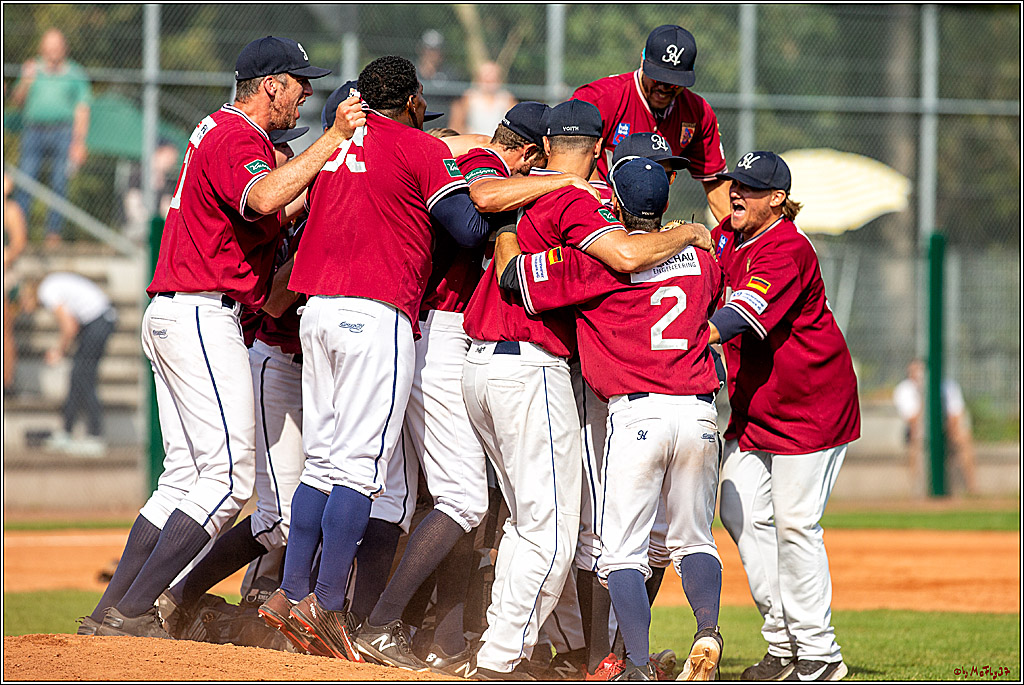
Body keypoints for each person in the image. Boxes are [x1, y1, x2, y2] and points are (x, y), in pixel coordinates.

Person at [81, 35, 363, 639]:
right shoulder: (237, 134)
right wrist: (333, 141)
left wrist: (313, 178)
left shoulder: (220, 131)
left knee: (182, 477)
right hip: (203, 311)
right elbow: (263, 194)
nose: (306, 93)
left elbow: (268, 208)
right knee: (227, 479)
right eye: (298, 81)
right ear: (271, 86)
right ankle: (135, 611)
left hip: (179, 310)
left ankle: (111, 608)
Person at [460, 99, 711, 679]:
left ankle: (581, 650)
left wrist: (505, 232)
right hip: (530, 369)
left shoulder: (530, 190)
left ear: (546, 147)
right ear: (602, 155)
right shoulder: (587, 205)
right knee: (550, 534)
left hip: (479, 365)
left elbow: (507, 258)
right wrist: (688, 234)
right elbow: (622, 255)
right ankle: (499, 662)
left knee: (540, 524)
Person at [354, 101, 603, 677]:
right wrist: (554, 180)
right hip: (445, 333)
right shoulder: (493, 169)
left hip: (449, 341)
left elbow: (450, 142)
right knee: (466, 500)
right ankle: (382, 623)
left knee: (460, 501)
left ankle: (439, 636)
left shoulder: (475, 157)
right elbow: (477, 211)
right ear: (535, 153)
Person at [260, 54, 492, 664]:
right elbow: (465, 228)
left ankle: (291, 593)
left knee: (324, 461)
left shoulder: (337, 141)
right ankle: (329, 607)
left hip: (317, 312)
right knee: (361, 468)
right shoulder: (417, 146)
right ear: (413, 99)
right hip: (377, 310)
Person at [709, 151, 860, 682]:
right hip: (761, 406)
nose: (735, 194)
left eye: (748, 188)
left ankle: (820, 654)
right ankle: (783, 644)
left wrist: (692, 336)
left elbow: (739, 314)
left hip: (812, 404)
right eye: (734, 185)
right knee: (737, 505)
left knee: (796, 523)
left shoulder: (786, 249)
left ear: (777, 199)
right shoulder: (731, 232)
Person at [571, 24, 730, 222]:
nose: (664, 87)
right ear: (642, 60)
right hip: (592, 215)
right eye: (658, 77)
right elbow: (568, 168)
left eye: (674, 82)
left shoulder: (698, 112)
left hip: (649, 222)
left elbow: (716, 184)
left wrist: (737, 243)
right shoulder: (599, 99)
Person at [9, 28, 92, 245]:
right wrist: (26, 80)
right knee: (25, 181)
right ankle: (19, 234)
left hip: (63, 132)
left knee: (59, 183)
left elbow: (82, 110)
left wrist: (79, 142)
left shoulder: (75, 74)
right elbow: (17, 101)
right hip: (33, 131)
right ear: (42, 48)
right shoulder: (32, 69)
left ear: (64, 48)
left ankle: (53, 234)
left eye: (57, 46)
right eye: (49, 46)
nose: (53, 51)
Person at [19, 272, 117, 457]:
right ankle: (67, 431)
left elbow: (69, 326)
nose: (24, 308)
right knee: (77, 376)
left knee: (84, 378)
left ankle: (95, 435)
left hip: (98, 322)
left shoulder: (46, 291)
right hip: (96, 322)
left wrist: (59, 350)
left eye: (24, 302)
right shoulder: (50, 286)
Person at [893, 359, 977, 495]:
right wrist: (924, 395)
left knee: (964, 439)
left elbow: (955, 414)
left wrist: (947, 432)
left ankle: (971, 488)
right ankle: (917, 490)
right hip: (919, 430)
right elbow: (912, 420)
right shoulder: (904, 389)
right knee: (916, 443)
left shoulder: (948, 386)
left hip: (946, 427)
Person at [4, 173, 28, 396]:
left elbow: (18, 244)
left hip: (6, 276)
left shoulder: (10, 210)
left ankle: (7, 382)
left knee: (5, 329)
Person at [449, 61, 518, 136]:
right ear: (479, 79)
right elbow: (456, 125)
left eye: (493, 78)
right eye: (486, 77)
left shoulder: (507, 99)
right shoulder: (468, 97)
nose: (490, 80)